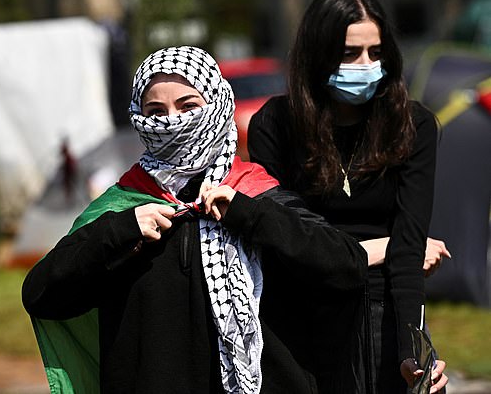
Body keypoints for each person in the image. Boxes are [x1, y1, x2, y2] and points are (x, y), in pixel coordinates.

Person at [22, 45, 370, 393]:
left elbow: (345, 266)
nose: (172, 120)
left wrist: (250, 215)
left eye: (188, 106)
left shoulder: (258, 194)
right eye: (155, 111)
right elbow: (41, 294)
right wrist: (119, 231)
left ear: (217, 105)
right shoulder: (122, 208)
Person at [247, 0, 449, 393]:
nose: (366, 65)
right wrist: (381, 246)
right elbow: (288, 239)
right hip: (300, 316)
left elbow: (408, 251)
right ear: (317, 54)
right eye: (349, 54)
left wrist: (411, 349)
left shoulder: (413, 126)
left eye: (375, 53)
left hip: (381, 309)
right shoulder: (275, 125)